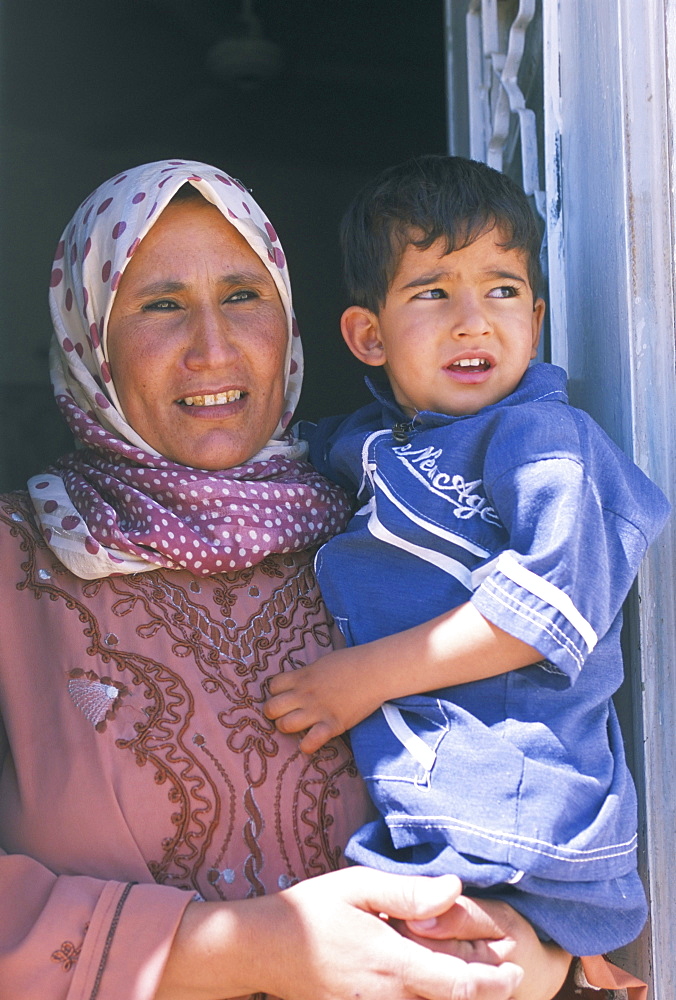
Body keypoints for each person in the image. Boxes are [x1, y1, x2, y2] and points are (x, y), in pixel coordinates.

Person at [0, 157, 579, 1000]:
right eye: (160, 305)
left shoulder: (395, 523)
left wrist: (540, 944)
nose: (213, 347)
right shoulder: (21, 564)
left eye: (243, 297)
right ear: (89, 337)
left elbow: (558, 744)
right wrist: (251, 949)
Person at [264, 156, 671, 957]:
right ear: (367, 336)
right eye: (433, 292)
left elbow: (542, 615)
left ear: (537, 317)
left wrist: (364, 677)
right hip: (433, 795)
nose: (473, 320)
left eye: (502, 289)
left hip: (518, 795)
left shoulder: (546, 443)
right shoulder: (370, 444)